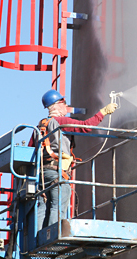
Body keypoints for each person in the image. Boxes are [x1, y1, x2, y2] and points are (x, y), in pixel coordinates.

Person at [29, 89, 117, 231]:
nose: (66, 106)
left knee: (43, 205)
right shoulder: (61, 121)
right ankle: (52, 236)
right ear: (57, 105)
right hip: (57, 172)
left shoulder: (39, 127)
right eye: (64, 102)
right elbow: (86, 126)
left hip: (41, 174)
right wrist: (103, 112)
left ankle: (38, 237)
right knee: (58, 205)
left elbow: (29, 151)